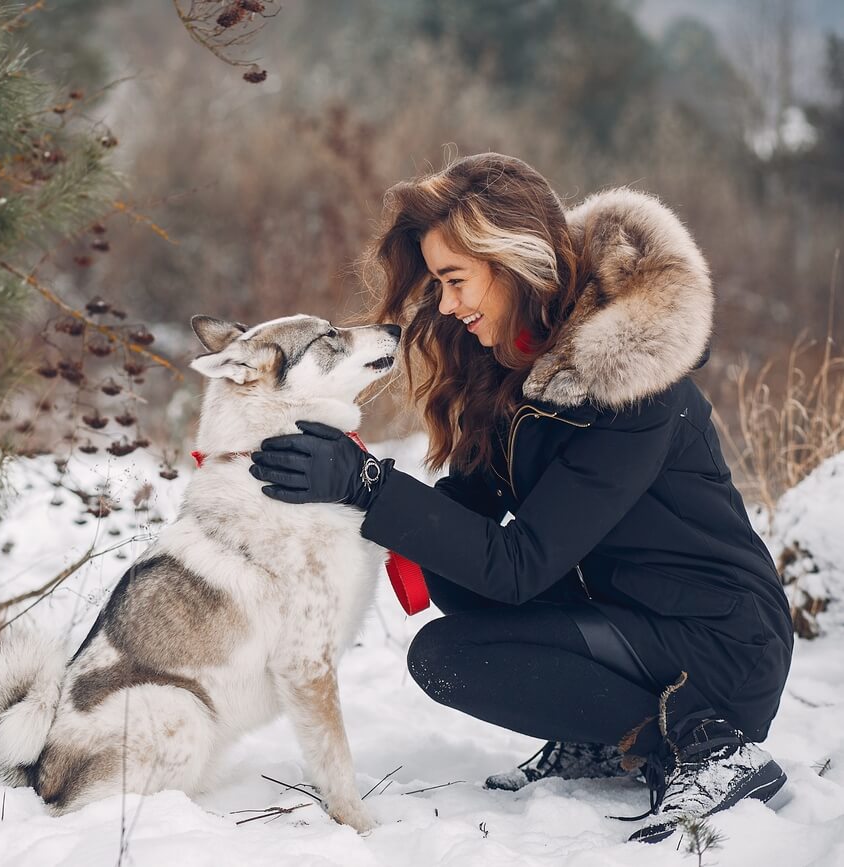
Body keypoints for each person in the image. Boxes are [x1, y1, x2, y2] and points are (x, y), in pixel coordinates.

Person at [247, 152, 794, 844]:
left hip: (719, 643)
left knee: (446, 656)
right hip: (620, 611)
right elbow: (467, 515)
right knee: (453, 582)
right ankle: (608, 733)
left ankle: (706, 744)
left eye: (454, 280)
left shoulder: (634, 384)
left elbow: (519, 563)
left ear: (511, 260)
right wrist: (344, 489)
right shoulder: (513, 360)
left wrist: (370, 485)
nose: (446, 304)